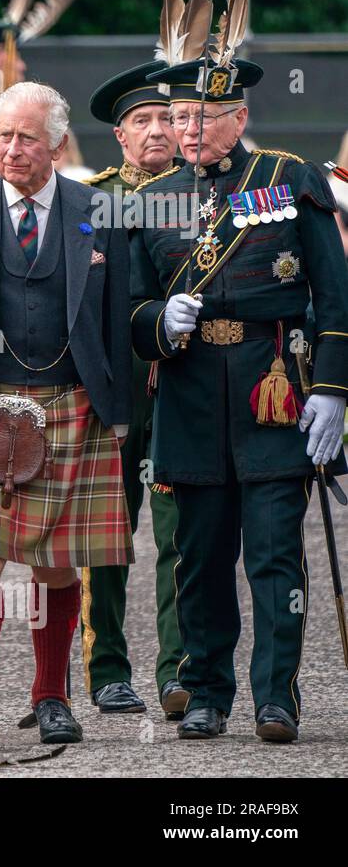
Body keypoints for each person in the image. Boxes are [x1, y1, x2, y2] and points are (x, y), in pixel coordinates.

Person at [132, 50, 348, 745]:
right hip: (191, 393)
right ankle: (205, 692)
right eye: (182, 116)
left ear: (240, 118)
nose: (189, 129)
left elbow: (334, 293)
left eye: (205, 116)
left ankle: (277, 697)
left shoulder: (289, 178)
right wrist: (157, 325)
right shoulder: (153, 197)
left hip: (273, 389)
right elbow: (130, 307)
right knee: (199, 555)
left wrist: (334, 391)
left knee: (277, 554)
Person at [0, 80, 132, 749]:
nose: (11, 149)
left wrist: (120, 410)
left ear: (58, 144)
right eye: (3, 135)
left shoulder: (99, 209)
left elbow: (114, 314)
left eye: (27, 137)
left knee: (56, 563)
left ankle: (50, 696)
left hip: (72, 400)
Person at [80, 61, 186, 720]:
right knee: (106, 536)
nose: (157, 131)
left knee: (183, 536)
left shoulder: (205, 198)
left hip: (185, 394)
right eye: (142, 121)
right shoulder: (94, 203)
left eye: (167, 119)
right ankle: (107, 669)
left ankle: (180, 671)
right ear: (119, 136)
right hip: (116, 395)